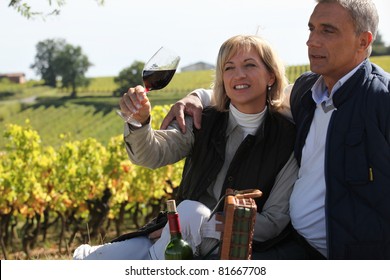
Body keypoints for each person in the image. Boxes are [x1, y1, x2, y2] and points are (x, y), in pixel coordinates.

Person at [161, 0, 390, 260]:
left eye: (327, 31)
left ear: (363, 41)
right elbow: (247, 93)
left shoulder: (382, 99)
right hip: (296, 247)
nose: (311, 41)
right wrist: (196, 97)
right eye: (311, 29)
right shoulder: (306, 91)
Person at [73, 35, 299, 259]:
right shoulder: (202, 120)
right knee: (93, 262)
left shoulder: (287, 140)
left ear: (271, 75)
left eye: (249, 65)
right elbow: (151, 154)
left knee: (193, 211)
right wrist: (139, 121)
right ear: (222, 79)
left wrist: (204, 225)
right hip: (173, 233)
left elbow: (274, 221)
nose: (239, 74)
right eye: (229, 68)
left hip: (226, 247)